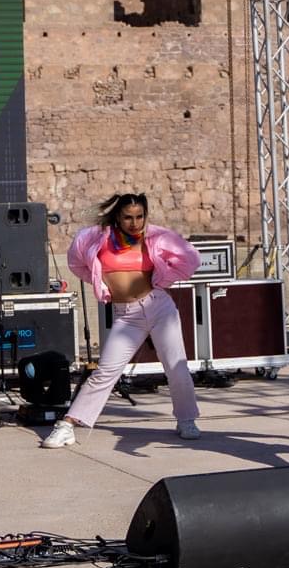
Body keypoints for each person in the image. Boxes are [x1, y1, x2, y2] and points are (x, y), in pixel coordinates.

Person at [41, 192, 203, 448]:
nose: (134, 222)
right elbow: (76, 263)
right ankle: (68, 425)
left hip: (159, 307)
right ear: (117, 215)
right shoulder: (94, 237)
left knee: (176, 366)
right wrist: (100, 283)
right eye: (128, 217)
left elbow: (191, 258)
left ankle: (187, 419)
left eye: (139, 216)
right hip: (126, 315)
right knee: (105, 371)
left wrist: (164, 279)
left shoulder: (156, 237)